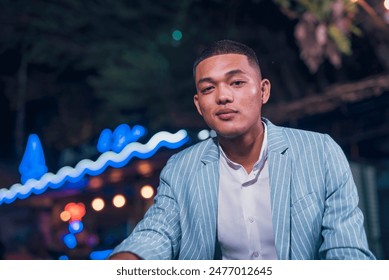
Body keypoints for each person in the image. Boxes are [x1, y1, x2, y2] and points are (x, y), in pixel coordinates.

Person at [109, 40, 375, 260]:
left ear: (263, 91)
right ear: (199, 104)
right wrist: (127, 261)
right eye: (208, 88)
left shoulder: (321, 152)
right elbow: (158, 233)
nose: (223, 96)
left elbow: (346, 251)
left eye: (236, 83)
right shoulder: (180, 169)